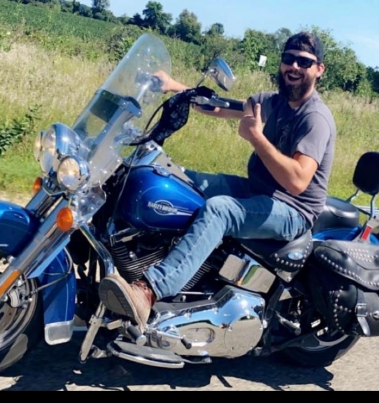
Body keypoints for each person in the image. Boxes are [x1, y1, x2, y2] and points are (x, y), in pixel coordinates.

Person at [98, 31, 337, 330]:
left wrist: (257, 138)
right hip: (259, 189)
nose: (294, 67)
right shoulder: (272, 102)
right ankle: (133, 254)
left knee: (220, 210)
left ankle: (149, 291)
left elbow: (298, 181)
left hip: (292, 209)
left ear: (319, 70)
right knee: (175, 178)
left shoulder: (315, 118)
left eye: (304, 62)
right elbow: (219, 106)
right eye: (289, 59)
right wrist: (175, 87)